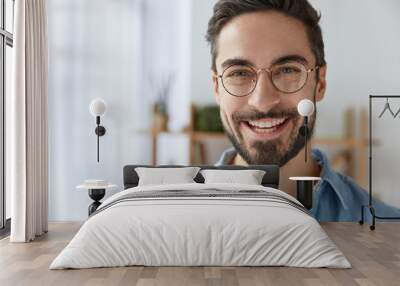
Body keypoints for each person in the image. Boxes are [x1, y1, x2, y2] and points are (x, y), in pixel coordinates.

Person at [206, 0, 400, 221]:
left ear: (320, 82)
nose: (262, 101)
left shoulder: (391, 232)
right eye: (239, 73)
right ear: (217, 87)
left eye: (287, 70)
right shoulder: (168, 225)